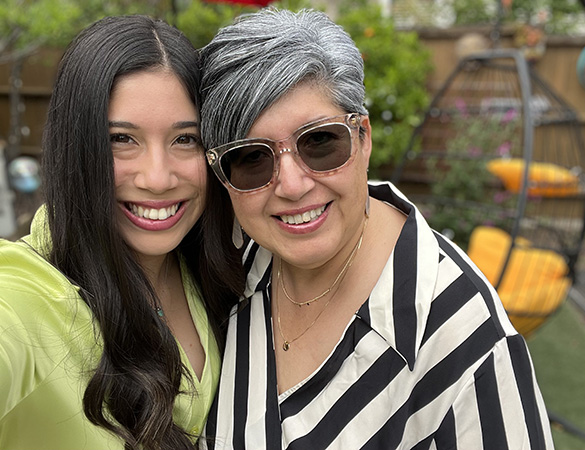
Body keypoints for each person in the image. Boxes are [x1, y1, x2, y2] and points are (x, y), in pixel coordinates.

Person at [199, 8, 555, 449]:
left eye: (320, 142)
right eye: (252, 158)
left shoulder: (466, 343)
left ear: (363, 137)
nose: (291, 185)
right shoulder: (232, 266)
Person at [0, 15, 243, 450]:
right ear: (76, 147)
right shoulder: (28, 296)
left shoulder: (216, 264)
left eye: (184, 139)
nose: (157, 178)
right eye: (121, 140)